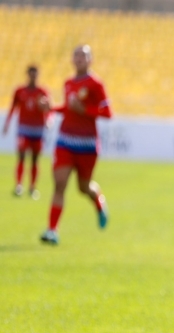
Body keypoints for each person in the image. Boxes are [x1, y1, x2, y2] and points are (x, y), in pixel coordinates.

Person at [40, 45, 112, 245]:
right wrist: (52, 108)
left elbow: (107, 113)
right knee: (60, 184)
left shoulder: (96, 84)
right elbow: (69, 109)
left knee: (83, 187)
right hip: (66, 140)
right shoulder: (68, 83)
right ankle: (52, 230)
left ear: (91, 60)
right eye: (77, 56)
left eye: (84, 56)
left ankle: (98, 203)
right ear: (72, 60)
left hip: (87, 144)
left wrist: (85, 109)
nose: (80, 59)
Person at [3, 65, 50, 199]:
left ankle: (32, 187)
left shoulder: (42, 92)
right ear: (27, 75)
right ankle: (19, 185)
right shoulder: (20, 91)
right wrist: (7, 123)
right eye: (31, 74)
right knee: (21, 156)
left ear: (38, 75)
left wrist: (48, 120)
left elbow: (48, 109)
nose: (33, 77)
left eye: (35, 74)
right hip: (23, 128)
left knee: (35, 160)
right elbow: (13, 107)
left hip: (38, 129)